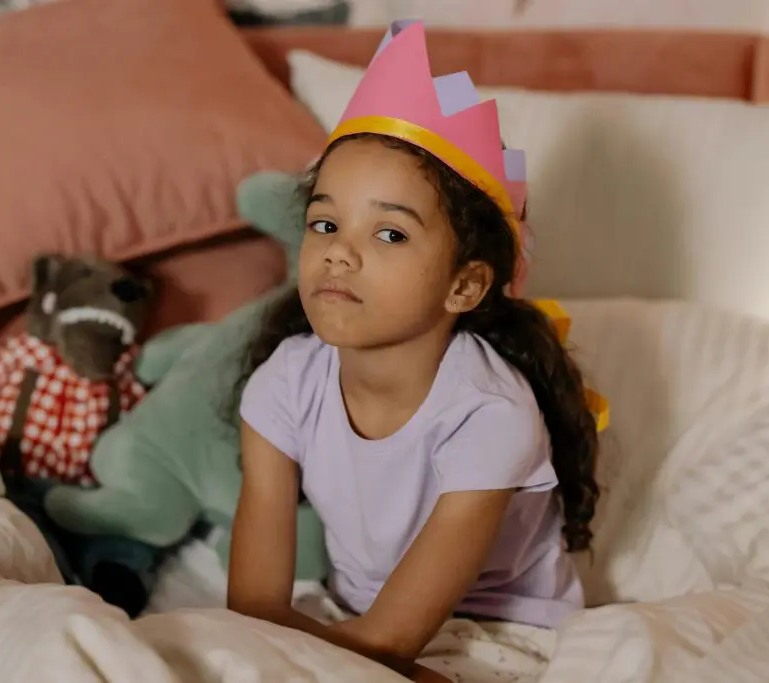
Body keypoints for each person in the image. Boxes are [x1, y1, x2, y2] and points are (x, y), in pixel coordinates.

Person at [226, 20, 600, 683]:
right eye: (325, 223)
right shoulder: (284, 382)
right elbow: (253, 607)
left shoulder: (490, 412)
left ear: (465, 285)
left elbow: (392, 638)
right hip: (349, 620)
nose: (339, 251)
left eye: (391, 234)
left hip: (499, 632)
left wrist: (289, 650)